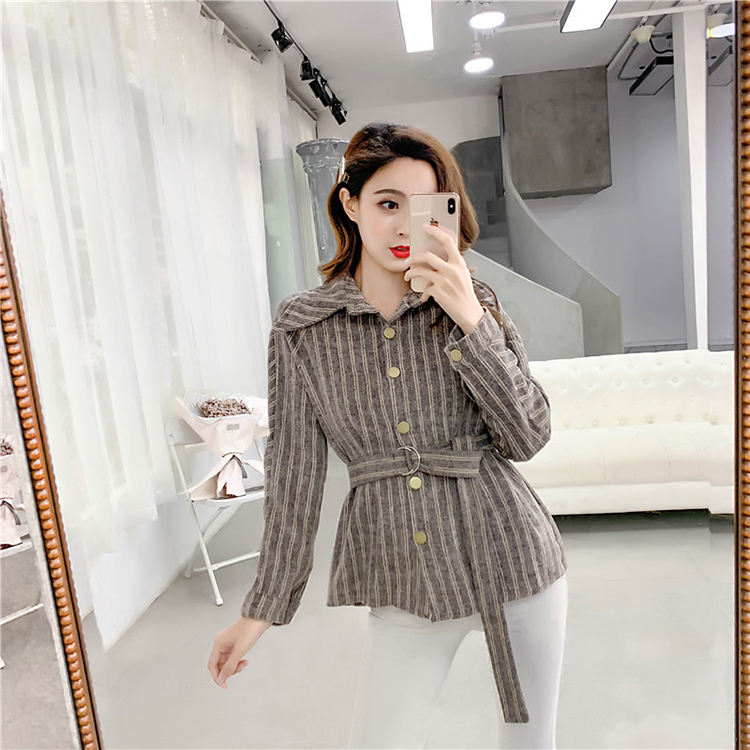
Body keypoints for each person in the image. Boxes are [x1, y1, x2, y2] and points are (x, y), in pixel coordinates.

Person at [208, 122, 569, 749]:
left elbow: (528, 436)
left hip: (516, 565)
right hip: (404, 581)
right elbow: (294, 475)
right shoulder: (302, 329)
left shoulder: (473, 300)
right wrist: (261, 608)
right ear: (350, 204)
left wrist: (469, 317)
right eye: (387, 203)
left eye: (423, 206)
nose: (405, 226)